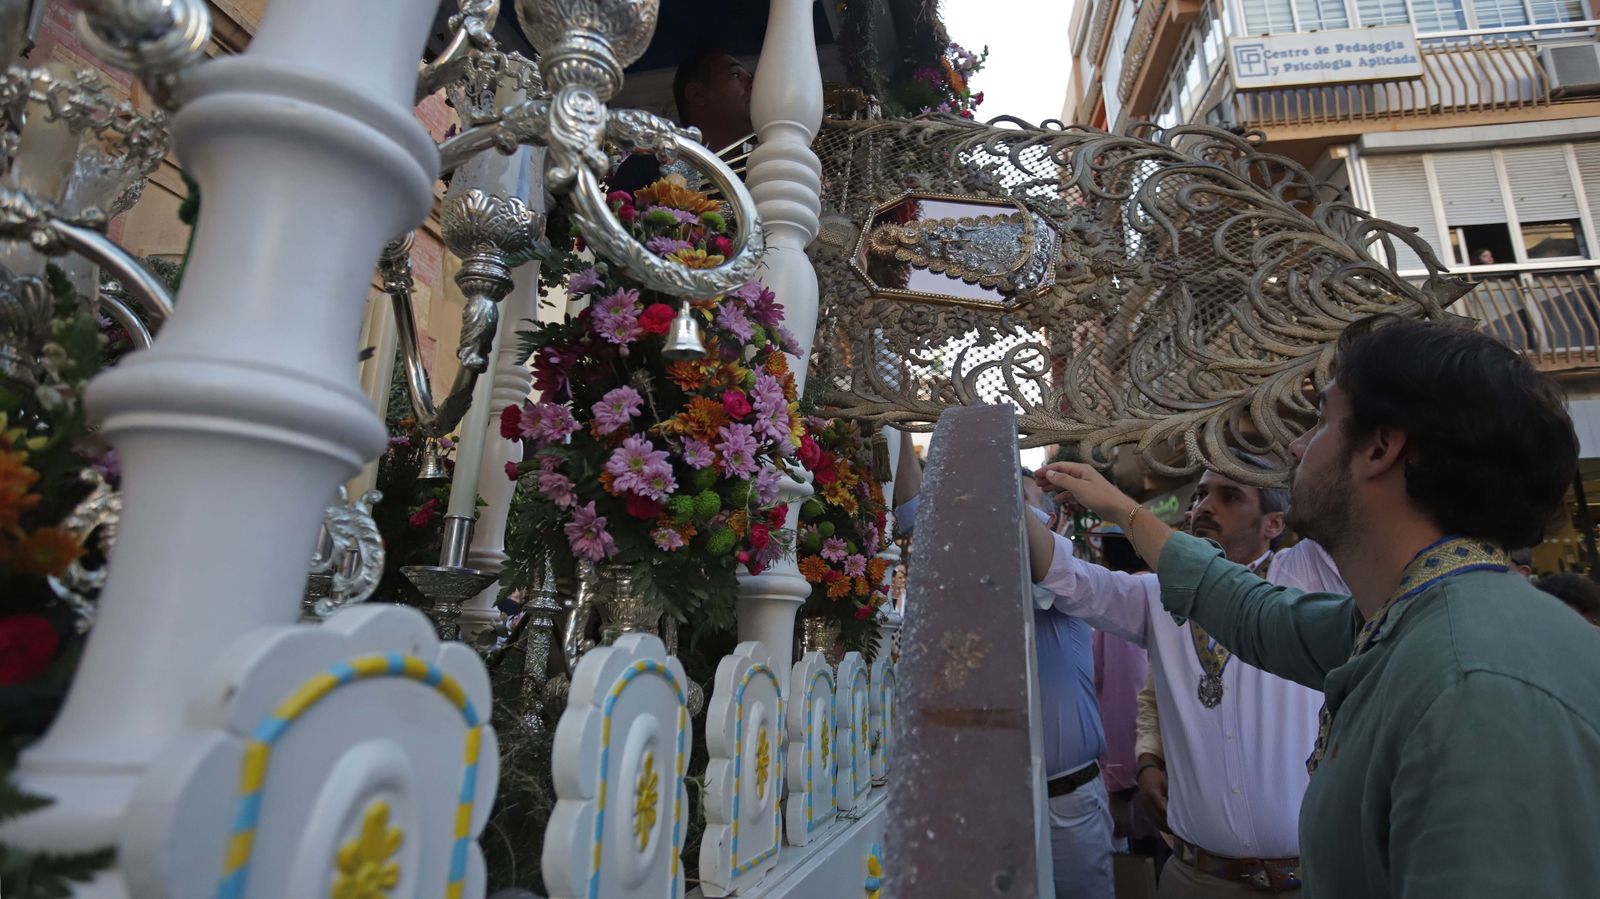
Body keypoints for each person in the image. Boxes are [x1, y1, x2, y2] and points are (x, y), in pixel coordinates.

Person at [1040, 315, 1600, 898]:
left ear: (1381, 447)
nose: (1298, 443)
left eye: (1322, 419)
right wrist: (1121, 511)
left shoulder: (1474, 681)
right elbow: (1252, 613)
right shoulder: (1398, 621)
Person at [1024, 458, 1347, 898]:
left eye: (1228, 496)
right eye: (1199, 496)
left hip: (1306, 881)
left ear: (1274, 523)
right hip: (1193, 879)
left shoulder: (1310, 573)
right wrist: (1002, 485)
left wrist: (1121, 507)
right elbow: (1068, 577)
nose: (1203, 507)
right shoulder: (1156, 596)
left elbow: (1345, 504)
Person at [609, 45, 754, 196]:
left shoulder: (758, 168)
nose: (753, 84)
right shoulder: (647, 162)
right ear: (697, 94)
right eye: (735, 74)